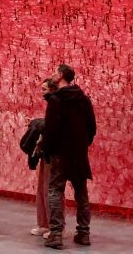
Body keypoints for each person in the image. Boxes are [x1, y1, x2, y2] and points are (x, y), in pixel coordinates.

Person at [43, 64, 97, 250]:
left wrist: (47, 150)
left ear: (60, 75)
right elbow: (92, 128)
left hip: (60, 152)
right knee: (81, 192)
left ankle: (56, 234)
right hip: (79, 152)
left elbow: (50, 129)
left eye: (54, 71)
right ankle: (84, 233)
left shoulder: (56, 100)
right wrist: (82, 144)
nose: (51, 74)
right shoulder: (84, 99)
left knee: (56, 190)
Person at [20, 78, 56, 238]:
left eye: (45, 90)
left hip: (53, 152)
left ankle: (53, 226)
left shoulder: (58, 105)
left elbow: (52, 126)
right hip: (45, 151)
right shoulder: (53, 105)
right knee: (42, 187)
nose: (42, 93)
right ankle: (43, 223)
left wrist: (36, 122)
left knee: (50, 189)